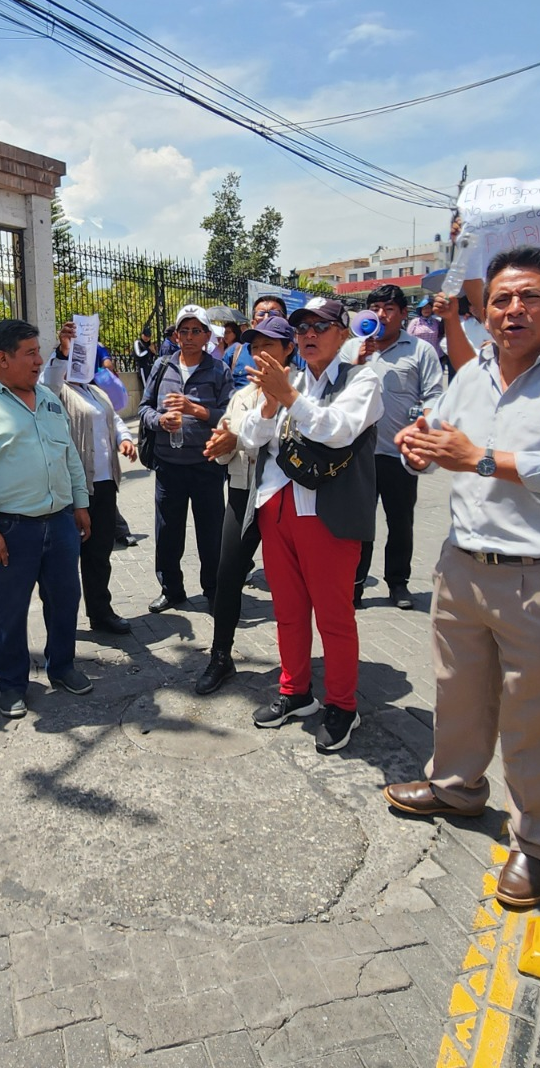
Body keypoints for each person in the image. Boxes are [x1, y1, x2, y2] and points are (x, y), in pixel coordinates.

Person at [384, 245, 540, 909]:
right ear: (484, 309)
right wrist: (418, 448)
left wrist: (481, 458)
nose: (512, 310)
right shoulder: (472, 373)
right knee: (458, 695)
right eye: (500, 299)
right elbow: (440, 437)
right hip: (463, 566)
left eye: (529, 297)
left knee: (539, 718)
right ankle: (457, 787)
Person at [232, 298, 382, 751]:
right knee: (289, 611)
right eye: (302, 328)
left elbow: (337, 430)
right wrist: (270, 403)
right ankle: (295, 691)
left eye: (321, 326)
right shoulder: (290, 380)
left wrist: (289, 397)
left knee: (334, 617)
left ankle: (343, 704)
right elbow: (251, 438)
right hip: (276, 508)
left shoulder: (363, 380)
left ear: (342, 333)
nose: (309, 334)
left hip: (327, 515)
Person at [0, 319, 93, 718]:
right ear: (2, 358)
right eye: (30, 353)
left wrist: (80, 503)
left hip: (60, 522)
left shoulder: (47, 398)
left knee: (65, 600)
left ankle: (62, 666)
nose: (39, 361)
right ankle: (12, 683)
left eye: (39, 352)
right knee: (11, 610)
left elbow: (68, 454)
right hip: (10, 529)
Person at [196, 314, 296, 694]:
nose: (260, 353)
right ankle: (221, 656)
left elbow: (286, 445)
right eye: (254, 347)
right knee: (228, 575)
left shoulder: (301, 392)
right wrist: (220, 445)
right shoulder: (240, 397)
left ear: (289, 349)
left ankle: (297, 667)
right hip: (242, 494)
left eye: (269, 345)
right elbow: (226, 454)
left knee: (290, 583)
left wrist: (237, 439)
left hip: (284, 497)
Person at [345, 284, 445, 610]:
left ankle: (398, 583)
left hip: (399, 454)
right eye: (375, 308)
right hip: (358, 455)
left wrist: (424, 426)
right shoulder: (352, 347)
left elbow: (434, 394)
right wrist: (357, 362)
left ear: (403, 314)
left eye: (389, 309)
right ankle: (354, 585)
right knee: (358, 524)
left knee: (400, 522)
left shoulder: (420, 351)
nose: (381, 315)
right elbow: (334, 390)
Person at [41, 323, 137, 636]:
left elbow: (115, 418)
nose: (79, 364)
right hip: (74, 487)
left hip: (105, 484)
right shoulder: (56, 393)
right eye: (74, 359)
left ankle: (100, 612)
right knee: (67, 557)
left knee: (99, 554)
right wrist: (63, 349)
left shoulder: (95, 391)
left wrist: (125, 439)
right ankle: (62, 622)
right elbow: (49, 380)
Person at [138, 305, 234, 613]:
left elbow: (230, 415)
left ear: (207, 336)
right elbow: (144, 408)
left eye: (196, 331)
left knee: (211, 532)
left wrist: (196, 410)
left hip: (207, 464)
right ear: (177, 336)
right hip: (168, 465)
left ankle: (214, 590)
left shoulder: (219, 370)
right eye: (184, 331)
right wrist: (159, 420)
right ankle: (171, 589)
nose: (189, 337)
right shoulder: (162, 366)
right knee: (168, 531)